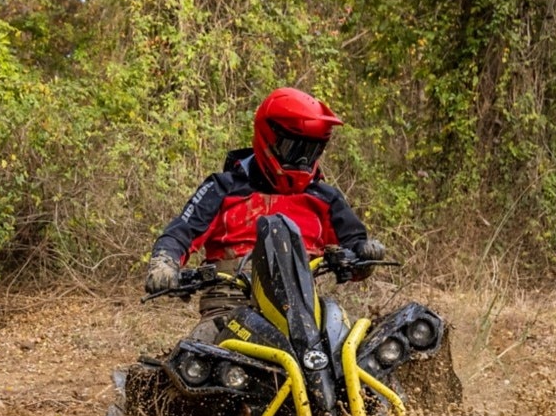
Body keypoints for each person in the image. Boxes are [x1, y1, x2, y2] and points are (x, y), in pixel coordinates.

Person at [143, 87, 386, 341]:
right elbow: (181, 232)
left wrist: (365, 254)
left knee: (350, 348)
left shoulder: (324, 198)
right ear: (268, 137)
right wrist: (164, 263)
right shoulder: (223, 188)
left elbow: (356, 246)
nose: (302, 160)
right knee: (195, 360)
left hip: (302, 310)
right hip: (230, 305)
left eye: (311, 151)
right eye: (293, 148)